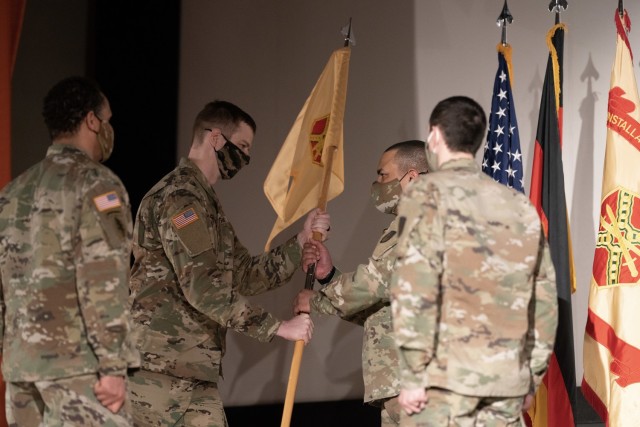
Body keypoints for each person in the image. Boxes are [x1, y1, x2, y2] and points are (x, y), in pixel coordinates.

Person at [128, 100, 330, 426]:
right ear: (216, 138)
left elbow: (245, 275)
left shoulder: (207, 204)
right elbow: (203, 287)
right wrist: (279, 328)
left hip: (193, 369)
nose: (246, 159)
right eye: (243, 146)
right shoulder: (180, 197)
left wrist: (300, 242)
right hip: (159, 372)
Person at [389, 96, 558, 426]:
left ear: (434, 137)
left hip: (444, 385)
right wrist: (531, 375)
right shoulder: (518, 206)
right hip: (506, 380)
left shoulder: (424, 195)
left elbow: (413, 289)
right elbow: (545, 299)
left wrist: (411, 376)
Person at [0, 76, 139, 426]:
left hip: (21, 371)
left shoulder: (11, 193)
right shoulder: (97, 183)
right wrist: (112, 366)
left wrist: (12, 355)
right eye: (107, 119)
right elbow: (104, 278)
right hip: (79, 370)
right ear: (92, 121)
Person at [294, 140, 428, 426]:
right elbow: (383, 307)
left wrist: (317, 300)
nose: (377, 183)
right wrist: (329, 276)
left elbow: (375, 283)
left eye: (384, 175)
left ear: (413, 177)